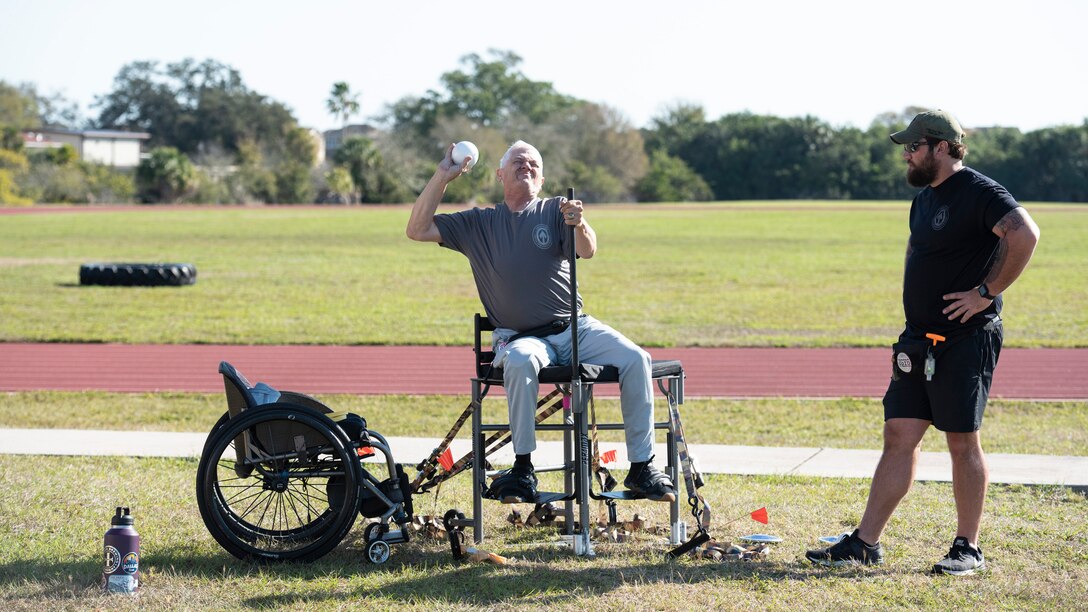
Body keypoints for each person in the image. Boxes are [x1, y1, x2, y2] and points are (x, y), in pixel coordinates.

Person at [806, 110, 1040, 575]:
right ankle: (865, 542)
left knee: (961, 441)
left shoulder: (980, 192)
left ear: (941, 147)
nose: (906, 155)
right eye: (905, 148)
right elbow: (918, 249)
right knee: (899, 435)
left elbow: (1025, 234)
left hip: (966, 338)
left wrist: (985, 293)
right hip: (918, 342)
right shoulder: (924, 199)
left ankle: (967, 547)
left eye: (913, 147)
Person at [406, 140, 676, 504]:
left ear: (543, 178)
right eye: (518, 162)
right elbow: (417, 229)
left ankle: (642, 467)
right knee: (520, 361)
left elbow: (587, 249)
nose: (526, 166)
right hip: (520, 337)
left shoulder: (555, 211)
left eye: (533, 163)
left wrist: (578, 224)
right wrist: (443, 175)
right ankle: (522, 468)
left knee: (637, 359)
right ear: (499, 175)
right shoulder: (478, 222)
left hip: (574, 326)